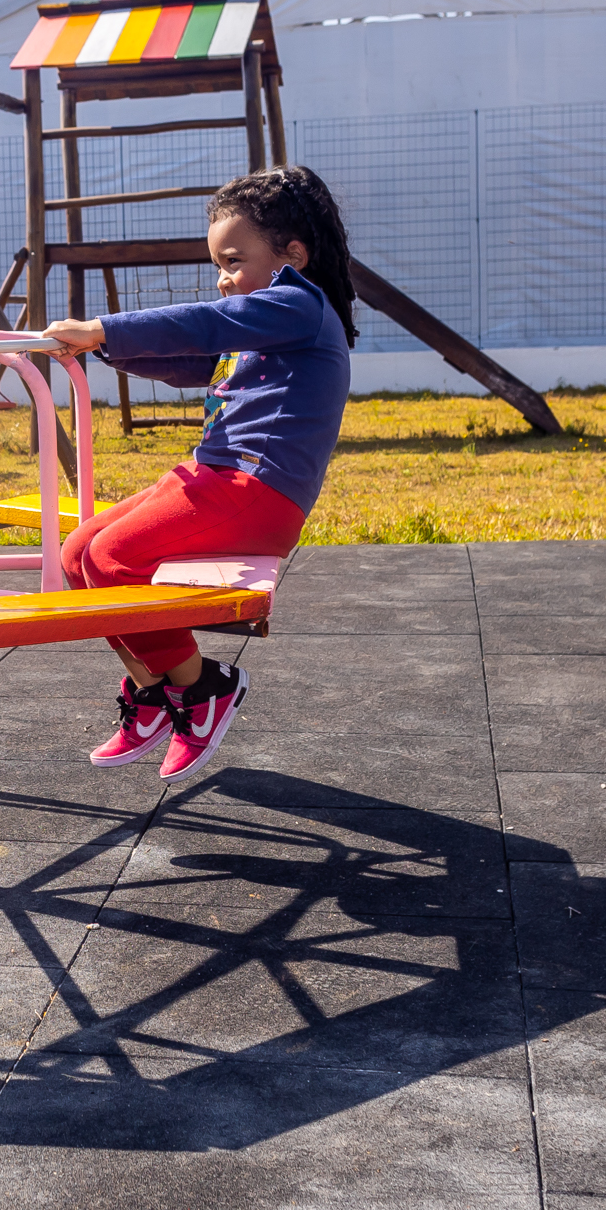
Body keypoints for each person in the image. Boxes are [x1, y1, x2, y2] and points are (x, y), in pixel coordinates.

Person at [38, 165, 356, 784]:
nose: (223, 277)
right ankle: (155, 695)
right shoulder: (266, 325)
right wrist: (100, 348)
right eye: (220, 263)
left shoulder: (299, 305)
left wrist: (104, 327)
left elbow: (204, 325)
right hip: (214, 478)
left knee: (111, 561)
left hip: (257, 490)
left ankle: (204, 688)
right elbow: (193, 358)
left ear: (293, 253)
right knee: (78, 557)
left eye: (235, 260)